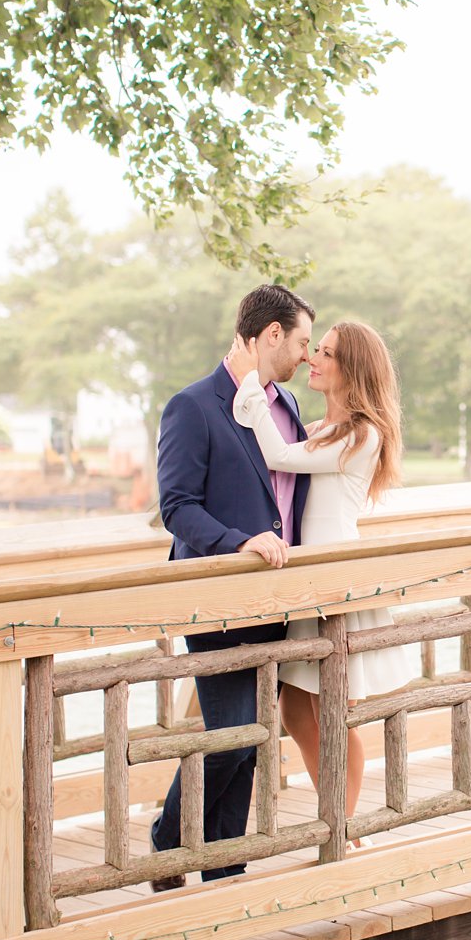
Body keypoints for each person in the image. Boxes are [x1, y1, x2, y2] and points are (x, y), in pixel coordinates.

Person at [149, 284, 314, 889]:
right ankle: (168, 840)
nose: (304, 354)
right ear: (270, 334)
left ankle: (225, 867)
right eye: (300, 342)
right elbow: (178, 508)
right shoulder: (192, 406)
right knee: (233, 735)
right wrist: (237, 542)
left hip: (276, 598)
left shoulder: (286, 404)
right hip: (216, 597)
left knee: (252, 738)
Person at [227, 320, 412, 844]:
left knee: (334, 710)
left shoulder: (363, 433)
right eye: (316, 350)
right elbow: (268, 445)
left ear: (349, 369)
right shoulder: (321, 429)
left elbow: (278, 456)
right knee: (294, 707)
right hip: (311, 579)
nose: (313, 359)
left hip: (338, 581)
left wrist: (246, 381)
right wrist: (251, 389)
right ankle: (337, 815)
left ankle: (341, 829)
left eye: (325, 353)